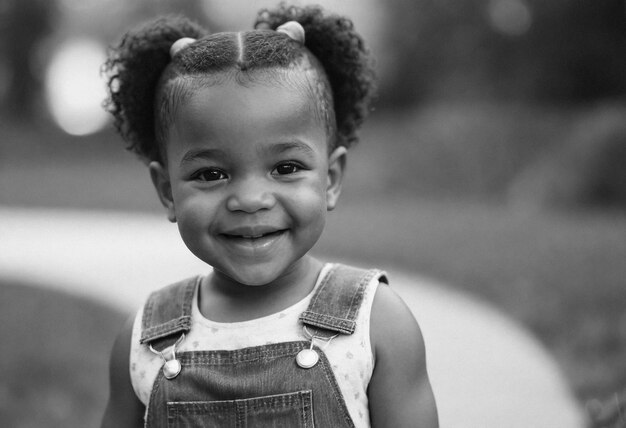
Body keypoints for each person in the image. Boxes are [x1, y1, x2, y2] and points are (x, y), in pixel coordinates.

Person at [101, 4, 438, 427]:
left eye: (286, 168)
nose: (250, 199)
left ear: (331, 178)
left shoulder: (375, 324)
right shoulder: (145, 340)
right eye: (211, 174)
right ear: (168, 191)